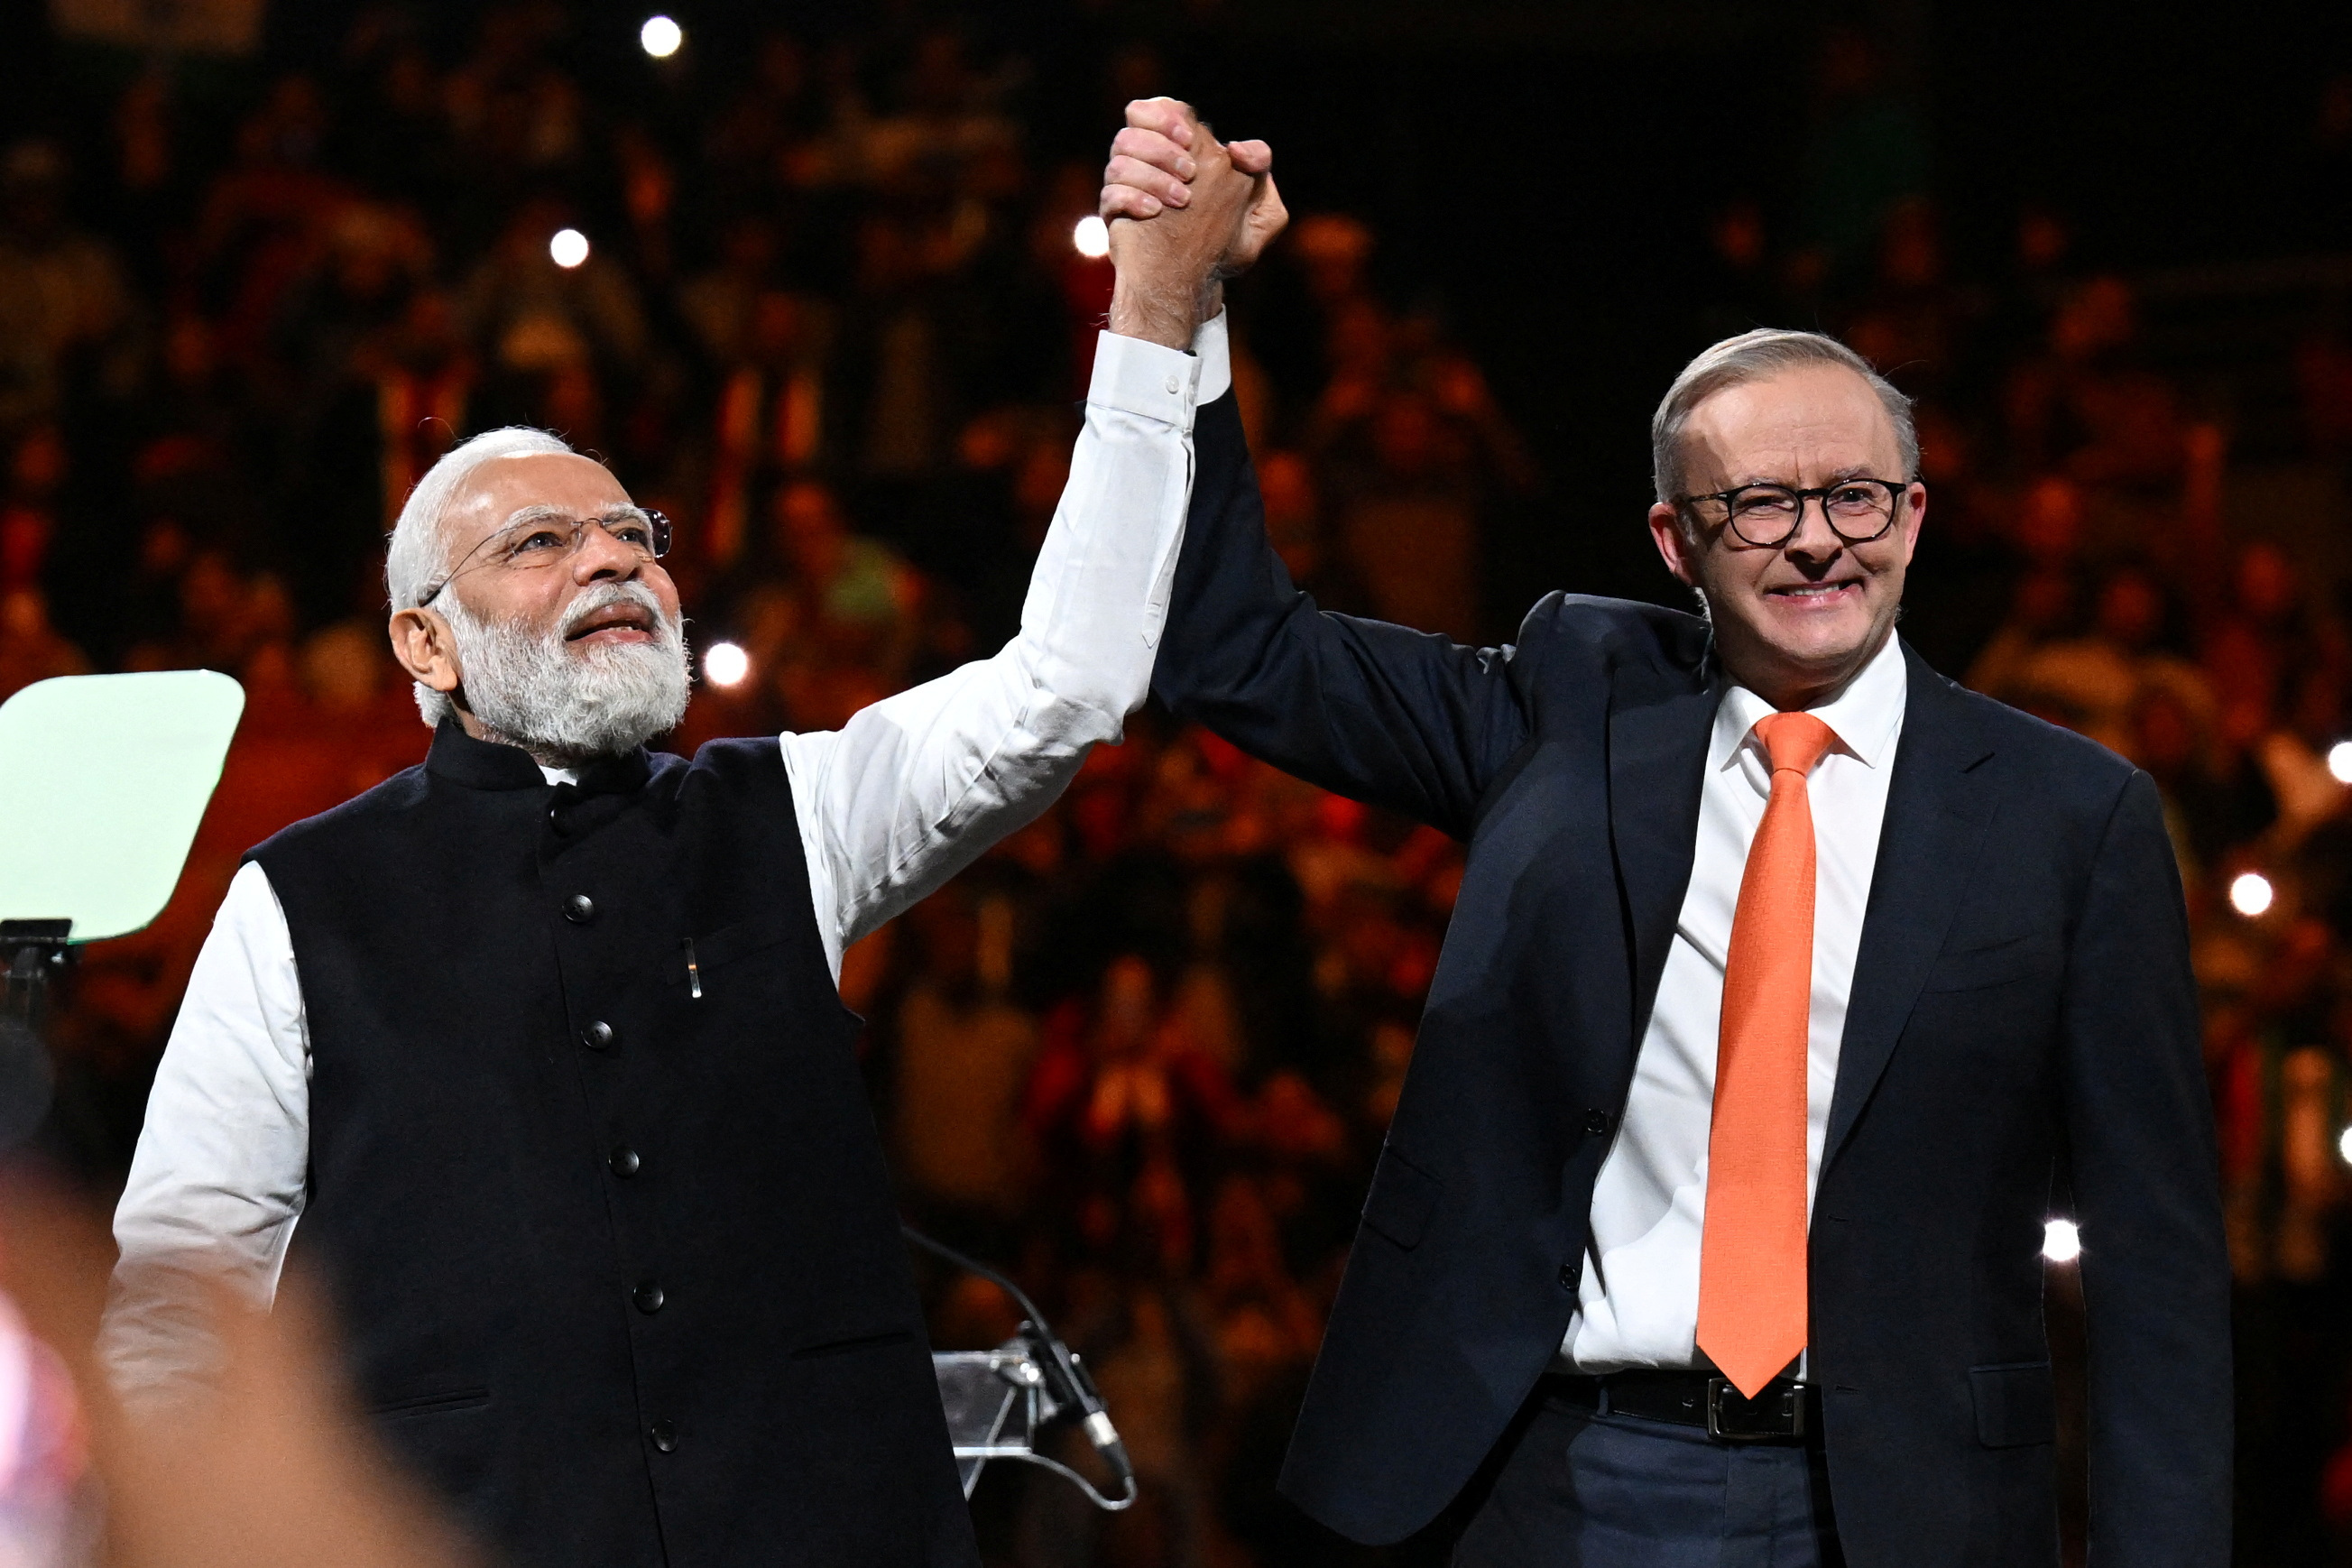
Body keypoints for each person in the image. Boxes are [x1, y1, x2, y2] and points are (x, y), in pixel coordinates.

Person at [98, 138, 1272, 1568]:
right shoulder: (298, 904)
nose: (612, 558)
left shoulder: (795, 811)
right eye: (539, 539)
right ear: (426, 641)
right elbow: (180, 1295)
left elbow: (1068, 683)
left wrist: (1153, 314)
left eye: (630, 532)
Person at [1101, 100, 2228, 1568]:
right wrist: (1179, 305)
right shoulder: (1575, 707)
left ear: (1918, 512)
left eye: (1858, 495)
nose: (1819, 537)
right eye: (1761, 502)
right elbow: (1237, 651)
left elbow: (2155, 1259)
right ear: (1672, 540)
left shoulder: (2072, 816)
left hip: (1905, 1510)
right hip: (1552, 1481)